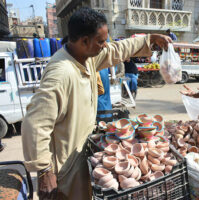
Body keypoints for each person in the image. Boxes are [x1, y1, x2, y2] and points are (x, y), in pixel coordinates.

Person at [21, 7, 171, 200]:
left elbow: (117, 50)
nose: (104, 45)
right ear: (84, 41)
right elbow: (35, 124)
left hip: (81, 154)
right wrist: (44, 172)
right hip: (65, 166)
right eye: (101, 41)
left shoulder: (85, 56)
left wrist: (149, 39)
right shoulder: (61, 73)